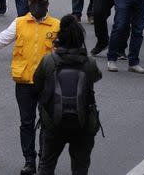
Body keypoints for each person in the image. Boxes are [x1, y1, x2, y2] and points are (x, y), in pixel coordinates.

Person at [0, 0, 61, 175]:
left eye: (40, 2)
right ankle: (29, 161)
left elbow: (67, 50)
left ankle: (45, 161)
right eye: (33, 2)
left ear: (47, 5)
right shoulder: (19, 23)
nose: (36, 5)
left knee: (47, 123)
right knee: (26, 123)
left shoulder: (57, 26)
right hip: (24, 83)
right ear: (29, 3)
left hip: (48, 84)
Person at [34, 15, 102, 175]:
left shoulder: (48, 61)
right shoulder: (89, 63)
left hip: (53, 123)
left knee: (46, 164)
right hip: (83, 123)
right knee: (80, 167)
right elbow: (96, 77)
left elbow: (37, 83)